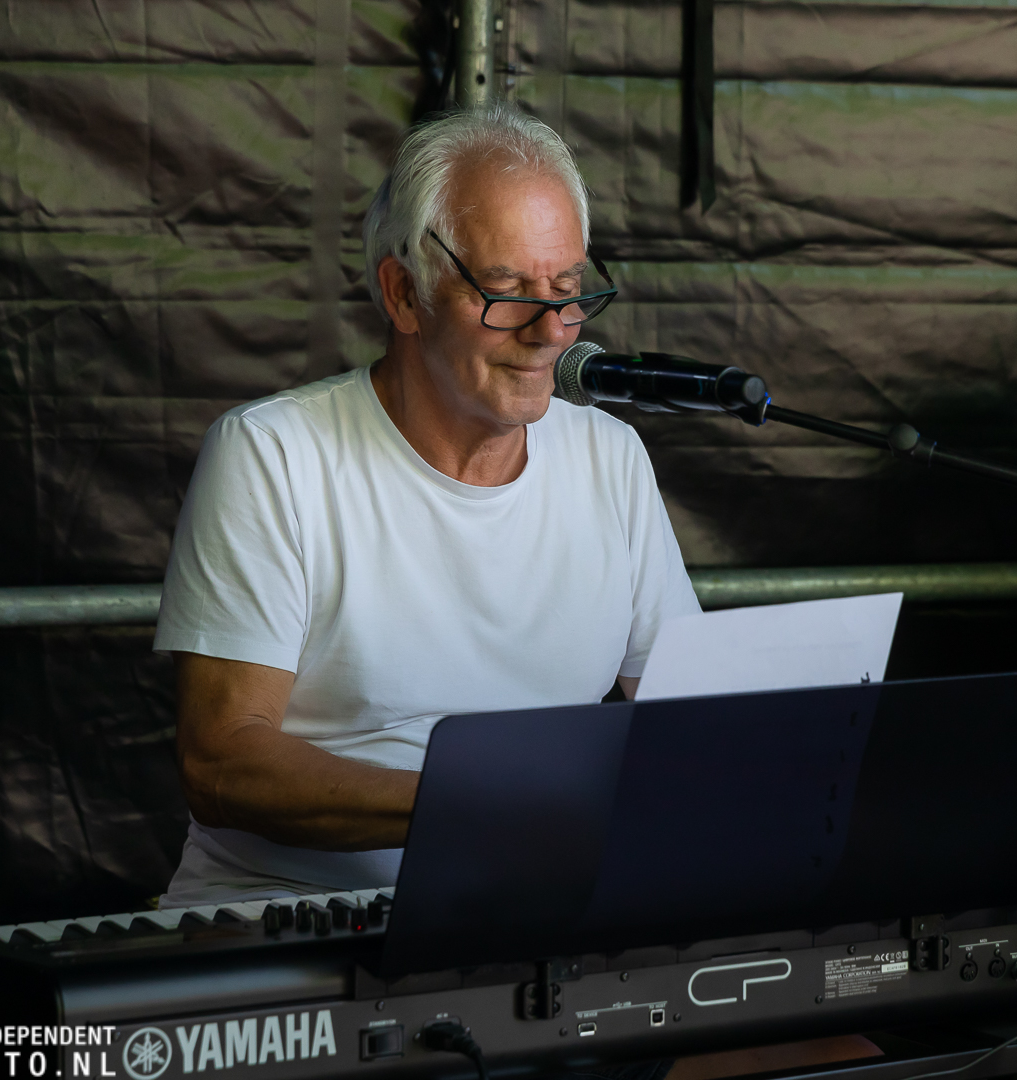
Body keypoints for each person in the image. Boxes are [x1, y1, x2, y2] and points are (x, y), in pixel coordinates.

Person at [152, 103, 701, 904]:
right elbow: (221, 763)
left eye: (568, 288)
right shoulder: (273, 454)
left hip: (537, 914)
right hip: (295, 916)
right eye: (506, 291)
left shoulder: (610, 456)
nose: (553, 331)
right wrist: (485, 807)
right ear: (404, 294)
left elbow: (691, 724)